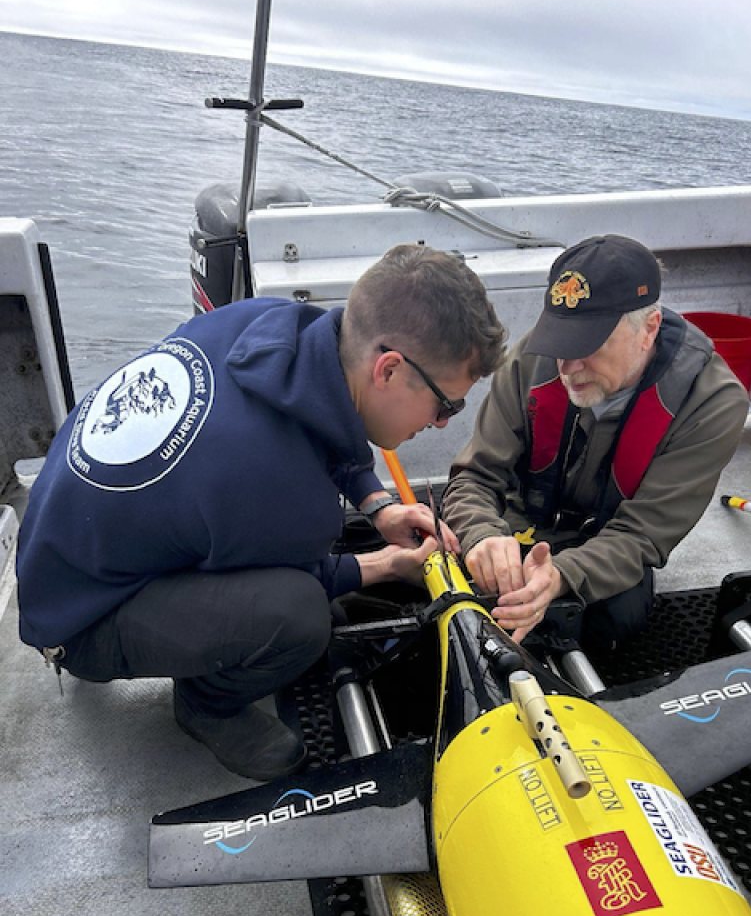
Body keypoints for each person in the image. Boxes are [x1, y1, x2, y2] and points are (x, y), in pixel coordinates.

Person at [17, 244, 506, 780]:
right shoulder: (276, 487)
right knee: (299, 616)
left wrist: (379, 507)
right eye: (446, 404)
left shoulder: (271, 323)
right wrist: (388, 565)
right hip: (79, 620)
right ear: (388, 370)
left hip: (55, 545)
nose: (442, 423)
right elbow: (311, 578)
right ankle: (207, 704)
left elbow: (327, 420)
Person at [441, 234, 749, 646]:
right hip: (517, 525)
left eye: (589, 345)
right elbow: (474, 477)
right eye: (561, 342)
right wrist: (482, 537)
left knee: (615, 619)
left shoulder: (710, 403)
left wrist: (561, 576)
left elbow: (643, 535)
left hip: (607, 547)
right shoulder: (530, 360)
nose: (567, 366)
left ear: (649, 330)